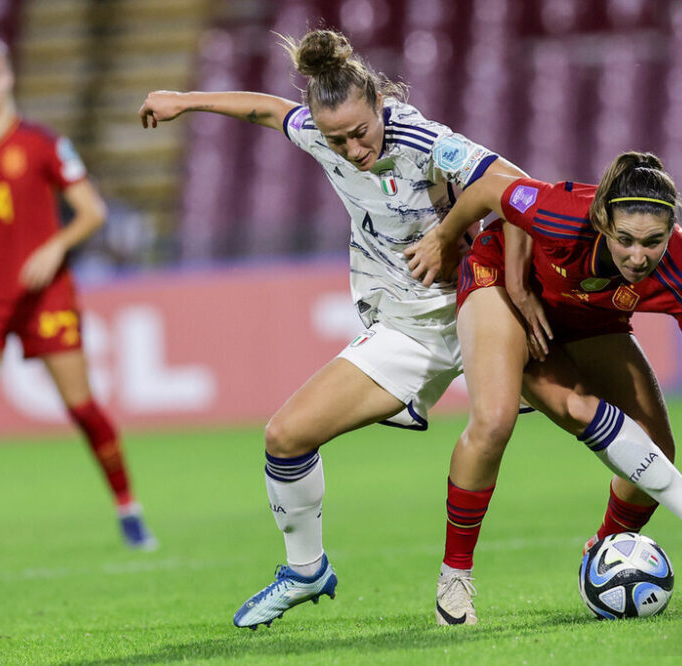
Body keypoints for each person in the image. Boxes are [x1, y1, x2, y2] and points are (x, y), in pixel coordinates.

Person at [139, 28, 533, 629]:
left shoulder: (424, 139)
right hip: (407, 329)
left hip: (483, 310)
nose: (351, 149)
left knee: (591, 415)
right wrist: (185, 100)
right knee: (285, 435)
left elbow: (516, 185)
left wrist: (451, 235)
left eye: (360, 132)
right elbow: (267, 109)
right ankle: (306, 570)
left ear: (380, 105)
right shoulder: (319, 136)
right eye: (336, 139)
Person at [406, 151, 682, 623]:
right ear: (603, 221)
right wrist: (448, 241)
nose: (638, 257)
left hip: (588, 315)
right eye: (624, 240)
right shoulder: (564, 213)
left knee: (656, 447)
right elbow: (486, 190)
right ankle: (454, 578)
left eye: (653, 242)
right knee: (497, 420)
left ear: (672, 231)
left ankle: (603, 554)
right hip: (501, 282)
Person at [0, 36, 157, 560]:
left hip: (45, 294)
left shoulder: (41, 144)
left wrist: (53, 247)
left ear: (9, 78)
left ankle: (128, 509)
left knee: (81, 406)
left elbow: (92, 211)